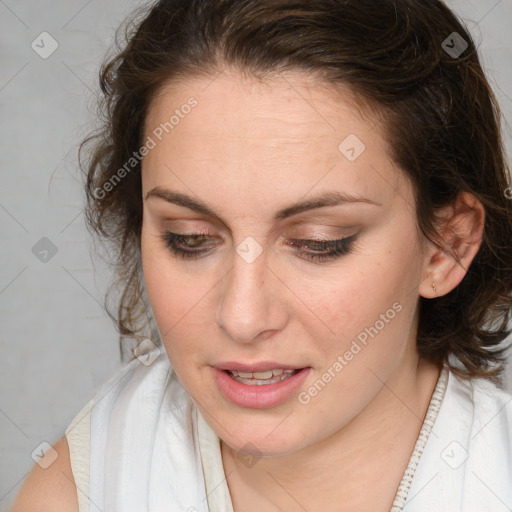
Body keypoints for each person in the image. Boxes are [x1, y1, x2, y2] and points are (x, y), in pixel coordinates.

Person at [12, 0, 512, 510]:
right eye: (189, 238)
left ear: (446, 246)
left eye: (319, 243)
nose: (242, 317)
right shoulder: (81, 492)